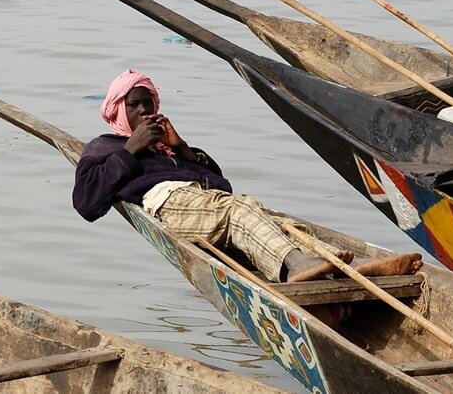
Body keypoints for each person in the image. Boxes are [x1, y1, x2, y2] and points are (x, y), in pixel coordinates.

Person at [73, 69, 423, 283]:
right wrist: (130, 150)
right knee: (239, 214)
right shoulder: (104, 147)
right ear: (119, 108)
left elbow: (221, 185)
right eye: (135, 104)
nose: (145, 110)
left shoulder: (168, 147)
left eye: (149, 102)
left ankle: (354, 265)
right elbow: (87, 203)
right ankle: (294, 267)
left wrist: (182, 149)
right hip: (168, 204)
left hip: (206, 202)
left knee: (269, 216)